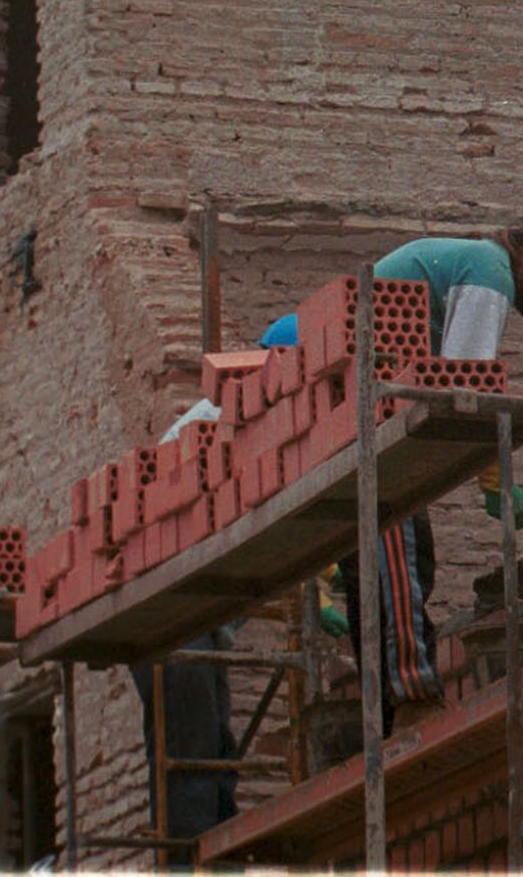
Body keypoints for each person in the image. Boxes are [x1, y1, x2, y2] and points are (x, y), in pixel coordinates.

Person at [339, 201, 523, 734]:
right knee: (397, 555)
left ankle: (385, 713)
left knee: (396, 559)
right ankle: (411, 698)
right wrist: (496, 478)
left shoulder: (465, 263)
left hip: (364, 417)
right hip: (366, 426)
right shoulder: (489, 273)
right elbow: (463, 391)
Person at [130, 317, 299, 852]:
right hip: (166, 607)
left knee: (214, 747)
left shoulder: (265, 424)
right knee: (190, 747)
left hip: (196, 615)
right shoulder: (216, 423)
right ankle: (189, 861)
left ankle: (218, 854)